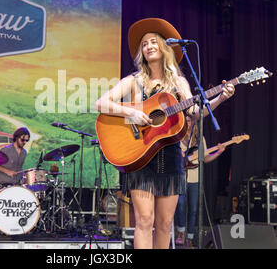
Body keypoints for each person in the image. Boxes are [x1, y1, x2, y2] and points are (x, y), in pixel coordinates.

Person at [95, 18, 235, 249]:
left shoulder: (178, 83)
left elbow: (194, 113)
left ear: (164, 48)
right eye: (144, 44)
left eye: (153, 42)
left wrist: (220, 97)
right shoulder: (133, 81)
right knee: (144, 221)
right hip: (140, 158)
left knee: (164, 223)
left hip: (170, 157)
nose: (148, 46)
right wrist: (132, 114)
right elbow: (101, 103)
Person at [175, 119, 226, 249]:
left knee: (193, 210)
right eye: (185, 120)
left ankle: (190, 239)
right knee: (180, 205)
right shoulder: (177, 137)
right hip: (180, 178)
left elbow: (205, 158)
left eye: (190, 121)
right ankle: (181, 233)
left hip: (195, 179)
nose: (188, 122)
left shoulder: (199, 139)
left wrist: (218, 152)